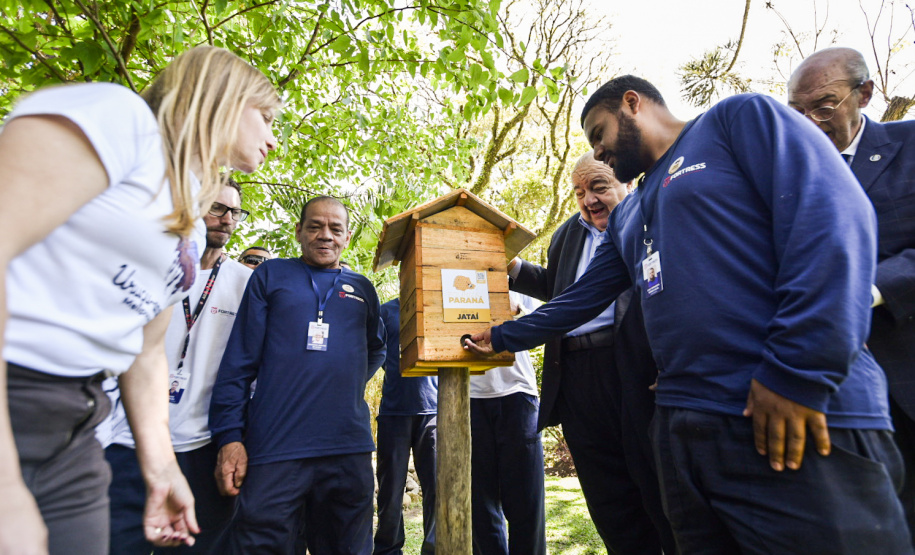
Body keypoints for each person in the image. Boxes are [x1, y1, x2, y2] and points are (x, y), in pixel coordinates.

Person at [466, 75, 913, 553]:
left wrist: (796, 373)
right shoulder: (628, 215)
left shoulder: (735, 121)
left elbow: (835, 215)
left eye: (600, 135)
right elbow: (579, 298)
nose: (599, 154)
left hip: (785, 415)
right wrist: (504, 336)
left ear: (632, 104)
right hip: (684, 431)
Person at [0, 45, 279, 554]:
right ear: (225, 97)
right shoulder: (119, 118)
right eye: (266, 117)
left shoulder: (190, 221)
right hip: (16, 392)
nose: (272, 139)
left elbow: (146, 348)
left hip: (82, 424)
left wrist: (162, 468)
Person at [507, 152, 674, 553]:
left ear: (627, 183)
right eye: (579, 191)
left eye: (599, 187)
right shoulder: (566, 235)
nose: (589, 200)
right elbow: (561, 291)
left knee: (655, 486)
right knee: (606, 496)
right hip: (576, 374)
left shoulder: (652, 221)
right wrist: (513, 267)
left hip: (633, 368)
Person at [209, 196, 386, 554]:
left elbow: (376, 348)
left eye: (336, 229)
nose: (325, 236)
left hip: (347, 450)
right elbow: (239, 362)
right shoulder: (271, 276)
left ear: (347, 237)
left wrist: (341, 383)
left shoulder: (363, 289)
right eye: (315, 226)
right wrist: (229, 437)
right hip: (276, 448)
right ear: (298, 232)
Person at [788, 47, 915, 541]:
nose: (808, 122)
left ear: (864, 94)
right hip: (833, 392)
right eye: (796, 112)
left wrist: (870, 290)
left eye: (823, 106)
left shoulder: (909, 145)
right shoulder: (785, 177)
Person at [101, 179, 255, 554]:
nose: (226, 218)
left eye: (235, 211)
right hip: (129, 441)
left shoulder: (247, 283)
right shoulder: (153, 266)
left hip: (203, 446)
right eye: (217, 207)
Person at [468, 291, 545, 555]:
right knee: (480, 505)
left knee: (526, 500)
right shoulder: (452, 273)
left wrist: (520, 306)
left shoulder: (519, 279)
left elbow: (543, 326)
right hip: (468, 397)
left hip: (518, 394)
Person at [373, 298, 437, 555]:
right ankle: (388, 549)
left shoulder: (437, 305)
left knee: (436, 488)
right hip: (393, 411)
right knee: (389, 491)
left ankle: (434, 548)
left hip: (433, 412)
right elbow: (374, 351)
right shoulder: (386, 311)